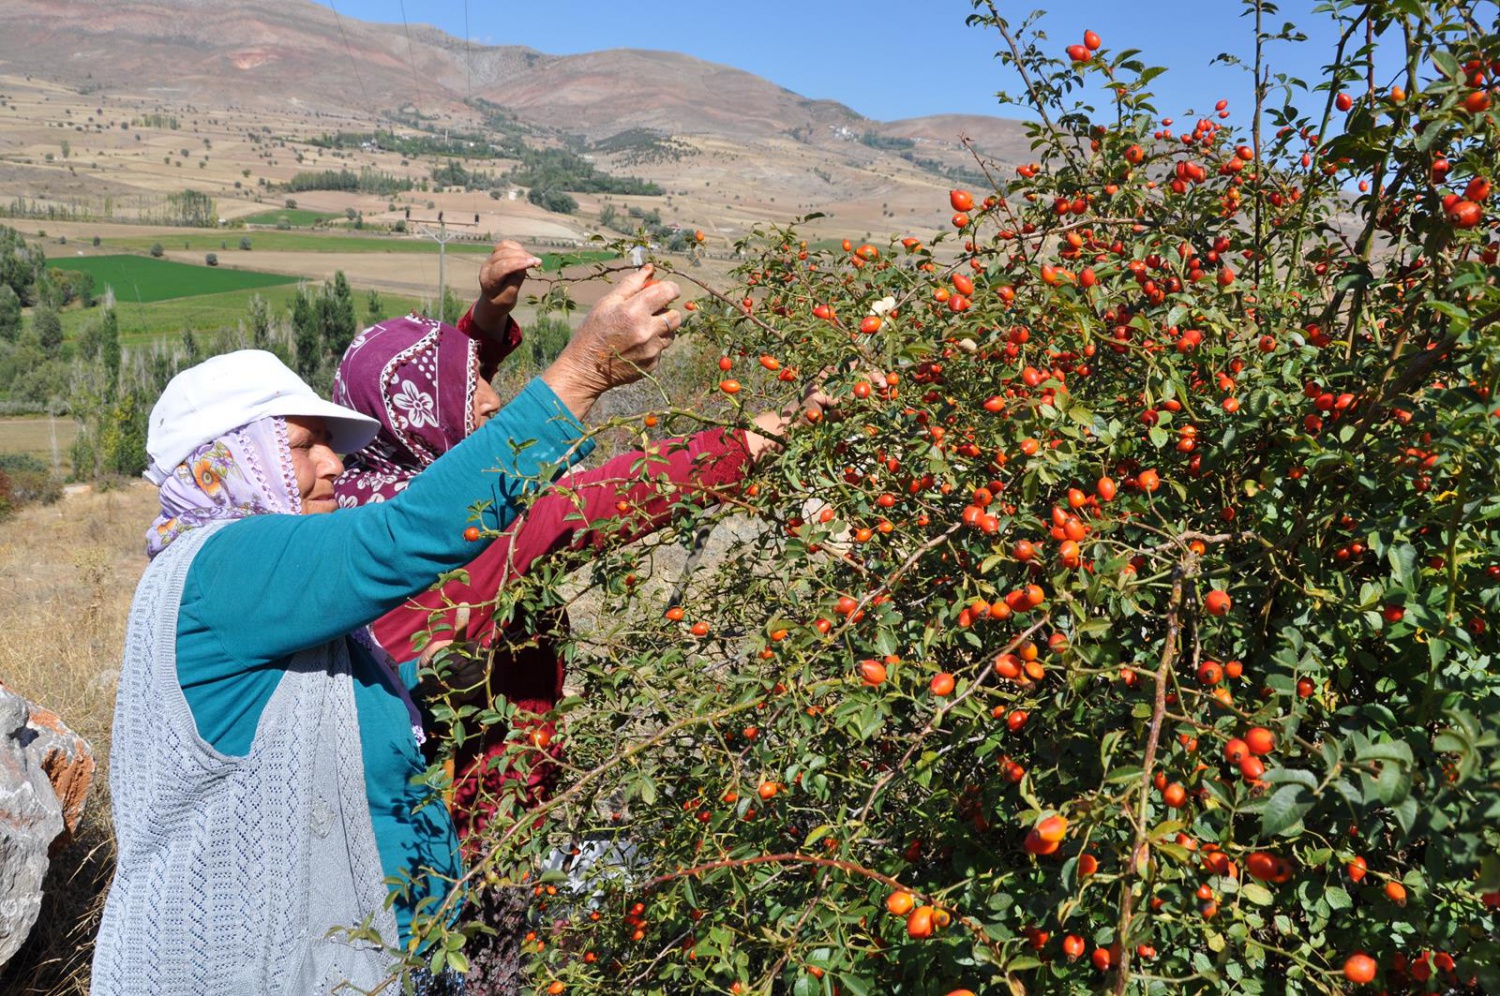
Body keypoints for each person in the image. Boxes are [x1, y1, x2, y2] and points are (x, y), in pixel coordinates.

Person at [91, 266, 683, 996]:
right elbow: (406, 534)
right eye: (305, 445)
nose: (333, 464)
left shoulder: (260, 588)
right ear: (230, 459)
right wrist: (582, 374)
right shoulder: (226, 566)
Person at [331, 242, 820, 993]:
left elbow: (455, 417)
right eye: (475, 390)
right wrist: (760, 439)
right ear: (423, 419)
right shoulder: (465, 541)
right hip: (466, 846)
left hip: (396, 835)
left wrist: (489, 316)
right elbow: (597, 498)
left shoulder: (362, 505)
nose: (494, 400)